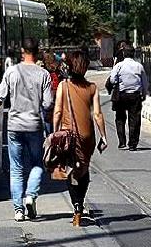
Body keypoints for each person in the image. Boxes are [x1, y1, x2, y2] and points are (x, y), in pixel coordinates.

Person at [0, 38, 53, 222]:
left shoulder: (12, 72)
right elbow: (48, 104)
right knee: (37, 164)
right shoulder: (44, 74)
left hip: (14, 126)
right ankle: (30, 196)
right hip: (34, 126)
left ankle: (18, 210)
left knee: (16, 169)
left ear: (23, 51)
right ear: (37, 52)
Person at [52, 50, 107, 227]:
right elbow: (97, 114)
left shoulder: (63, 85)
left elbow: (58, 111)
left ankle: (76, 206)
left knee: (70, 169)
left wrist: (55, 132)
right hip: (87, 136)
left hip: (69, 135)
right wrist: (104, 136)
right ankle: (80, 204)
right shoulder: (92, 88)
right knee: (83, 169)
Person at [107, 45, 148, 151]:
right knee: (134, 119)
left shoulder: (119, 66)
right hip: (135, 95)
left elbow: (112, 79)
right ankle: (133, 144)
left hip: (121, 95)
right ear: (133, 54)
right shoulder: (139, 66)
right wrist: (144, 94)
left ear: (124, 54)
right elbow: (144, 82)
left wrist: (119, 82)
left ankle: (122, 141)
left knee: (120, 118)